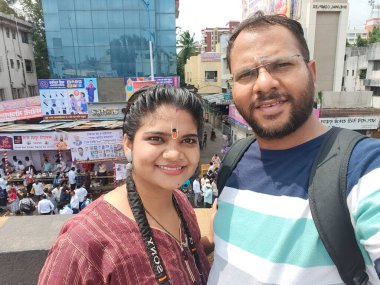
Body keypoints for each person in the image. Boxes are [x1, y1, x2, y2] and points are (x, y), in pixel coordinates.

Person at [208, 13, 380, 284]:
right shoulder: (234, 160)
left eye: (281, 65)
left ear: (312, 72)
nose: (264, 83)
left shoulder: (363, 168)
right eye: (247, 73)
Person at [39, 84, 211, 284]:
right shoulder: (83, 241)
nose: (173, 154)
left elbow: (183, 264)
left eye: (188, 140)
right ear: (128, 144)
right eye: (156, 139)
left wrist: (211, 242)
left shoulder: (181, 203)